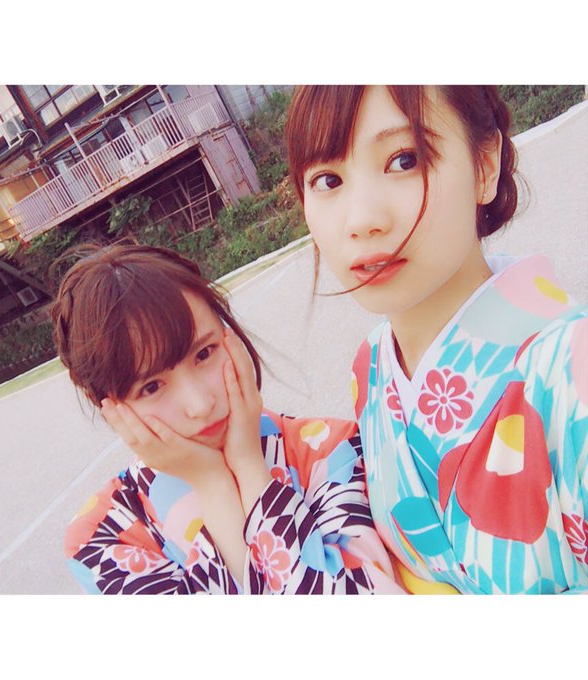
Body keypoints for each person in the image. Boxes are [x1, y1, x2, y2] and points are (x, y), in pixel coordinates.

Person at [285, 86, 588, 594]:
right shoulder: (371, 368)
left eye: (404, 160)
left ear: (484, 165)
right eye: (327, 180)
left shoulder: (570, 368)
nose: (362, 220)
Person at [56, 243, 404, 594]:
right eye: (151, 387)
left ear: (228, 334)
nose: (200, 404)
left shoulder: (328, 448)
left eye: (204, 354)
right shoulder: (102, 537)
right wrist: (213, 486)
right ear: (108, 405)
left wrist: (250, 468)